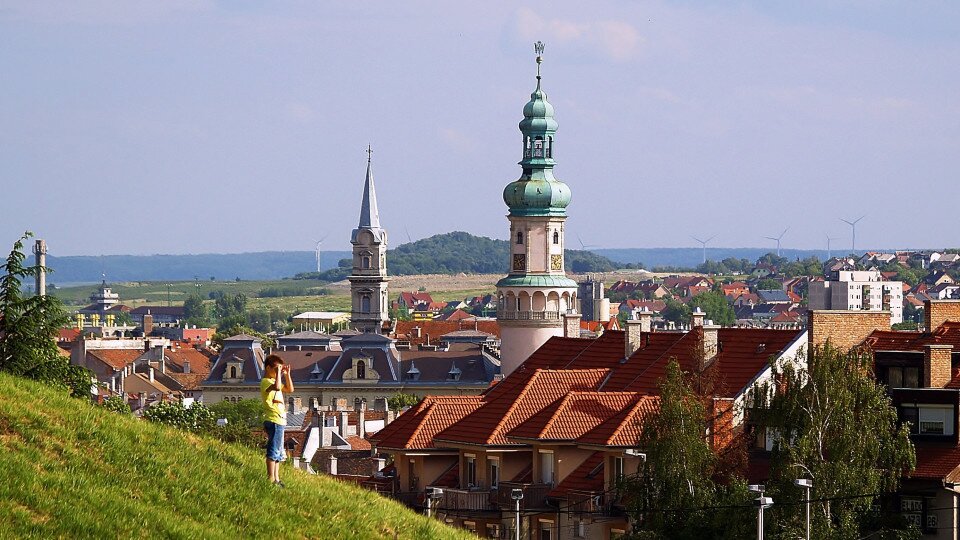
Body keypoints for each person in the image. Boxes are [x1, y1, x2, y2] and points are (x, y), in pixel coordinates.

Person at [261, 354, 294, 487]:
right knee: (273, 451)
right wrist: (280, 373)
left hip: (280, 420)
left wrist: (287, 374)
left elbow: (290, 389)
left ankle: (277, 478)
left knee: (279, 453)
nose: (277, 373)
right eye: (275, 369)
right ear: (268, 368)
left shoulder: (276, 382)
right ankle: (271, 478)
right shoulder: (265, 382)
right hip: (273, 420)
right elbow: (275, 387)